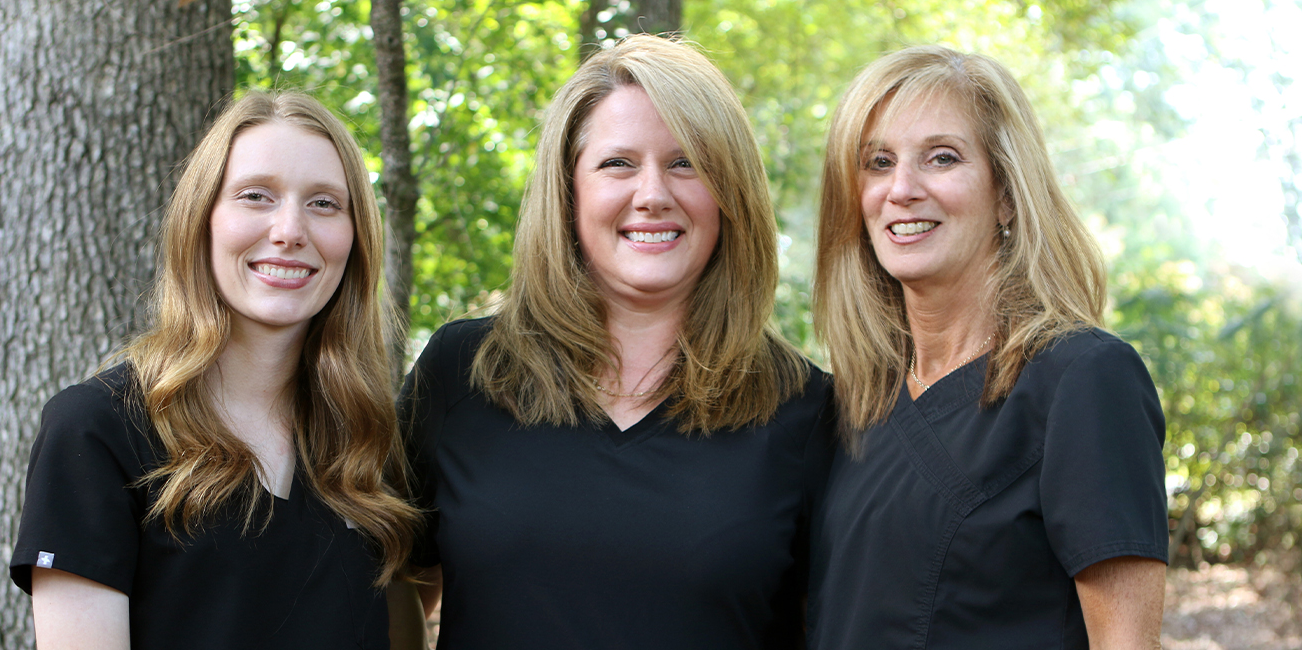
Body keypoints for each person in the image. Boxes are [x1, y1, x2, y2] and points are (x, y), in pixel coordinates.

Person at [401, 34, 833, 648]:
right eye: (618, 163)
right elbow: (394, 585)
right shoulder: (462, 372)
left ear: (729, 193)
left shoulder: (808, 410)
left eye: (686, 163)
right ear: (569, 191)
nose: (652, 194)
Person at [10, 92, 424, 650]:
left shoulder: (367, 442)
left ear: (356, 240)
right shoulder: (99, 429)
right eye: (256, 196)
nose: (289, 230)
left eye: (324, 203)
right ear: (201, 220)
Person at [808, 45, 1169, 649]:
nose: (902, 188)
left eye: (941, 158)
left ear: (1006, 194)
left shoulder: (1084, 380)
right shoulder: (848, 408)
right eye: (878, 163)